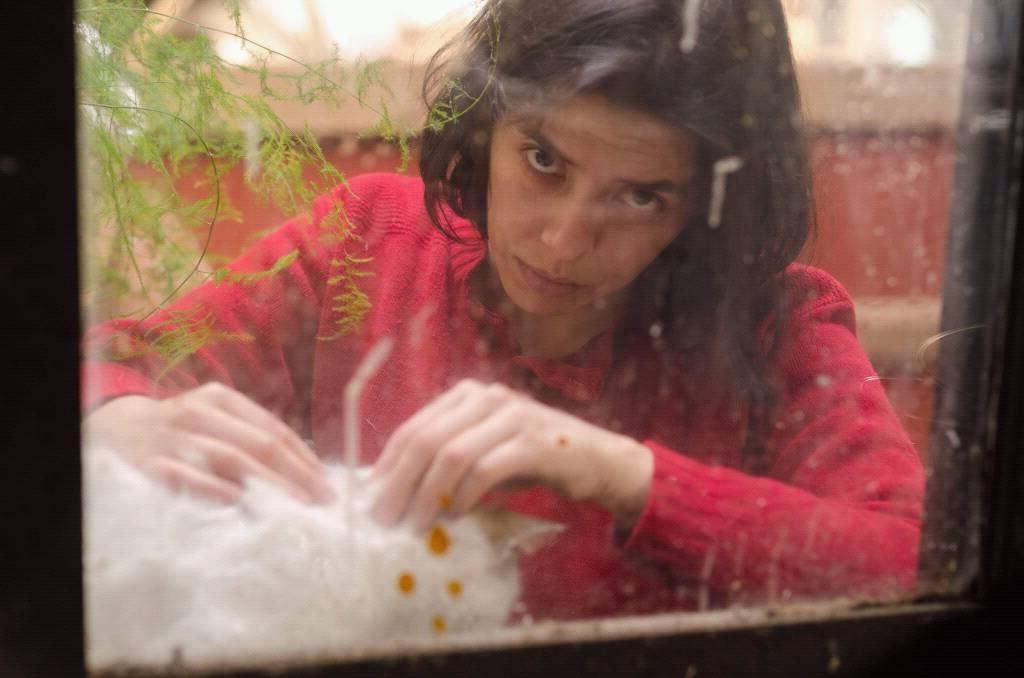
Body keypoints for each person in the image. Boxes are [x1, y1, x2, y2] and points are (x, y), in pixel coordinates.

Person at [82, 0, 924, 620]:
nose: (563, 241)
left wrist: (617, 473)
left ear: (709, 206)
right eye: (544, 159)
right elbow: (107, 368)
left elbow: (914, 563)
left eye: (640, 196)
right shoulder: (363, 243)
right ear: (485, 124)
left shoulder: (775, 324)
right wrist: (116, 415)